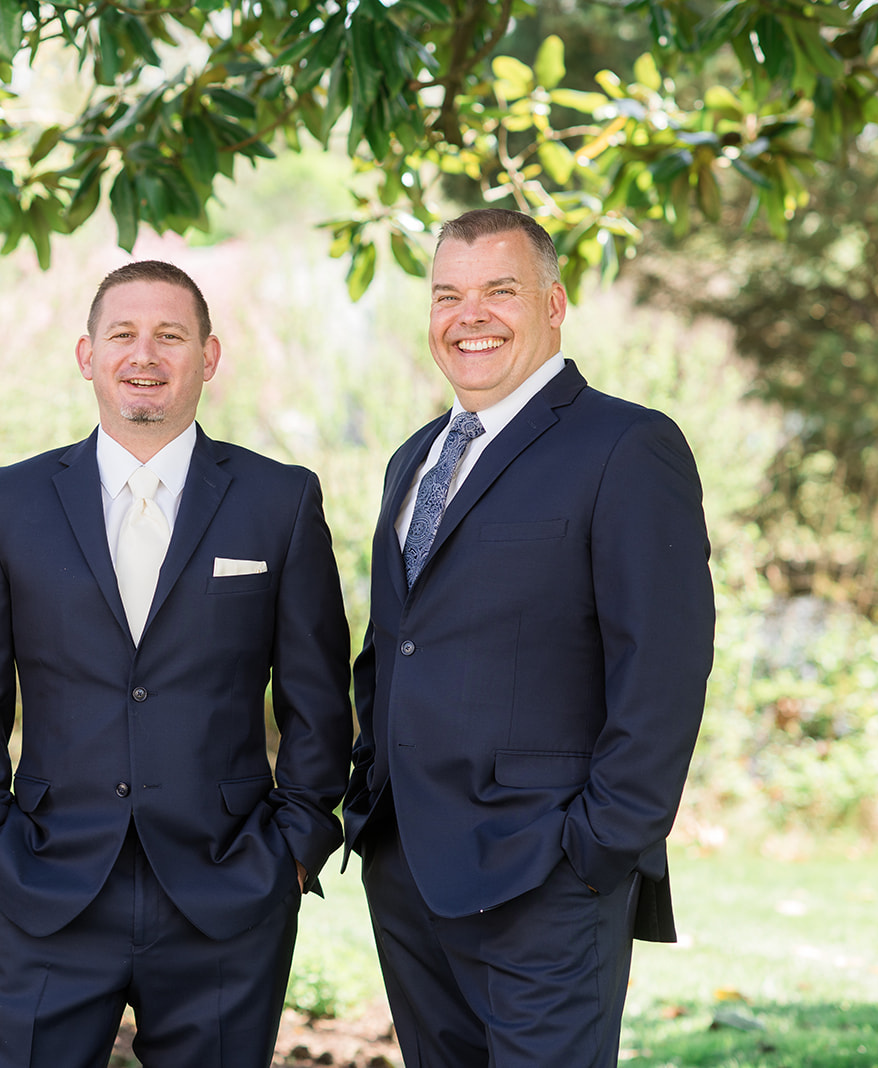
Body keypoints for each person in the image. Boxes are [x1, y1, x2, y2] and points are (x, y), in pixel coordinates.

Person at [0, 259, 352, 1067]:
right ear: (87, 354)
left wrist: (295, 846)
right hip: (43, 886)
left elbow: (317, 697)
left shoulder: (281, 500)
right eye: (122, 334)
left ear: (210, 355)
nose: (145, 354)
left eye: (170, 335)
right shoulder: (8, 501)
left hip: (228, 892)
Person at [342, 207, 716, 1066]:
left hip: (545, 876)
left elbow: (662, 669)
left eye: (498, 291)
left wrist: (595, 851)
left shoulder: (628, 446)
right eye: (447, 295)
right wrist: (369, 802)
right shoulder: (417, 458)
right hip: (408, 871)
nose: (468, 315)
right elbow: (396, 645)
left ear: (553, 304)